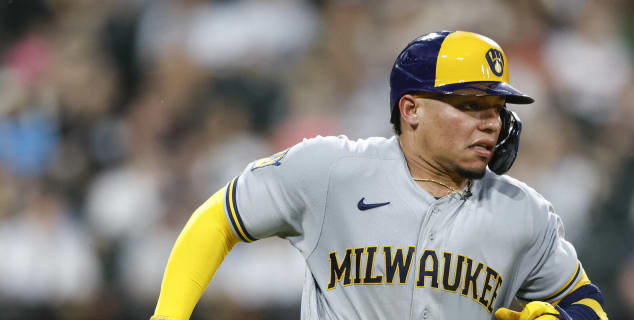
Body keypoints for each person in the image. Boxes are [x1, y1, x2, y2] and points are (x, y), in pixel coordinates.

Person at [151, 30, 608, 320]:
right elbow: (219, 218)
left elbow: (588, 304)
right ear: (411, 109)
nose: (491, 123)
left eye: (496, 109)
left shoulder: (523, 212)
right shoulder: (331, 170)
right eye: (470, 105)